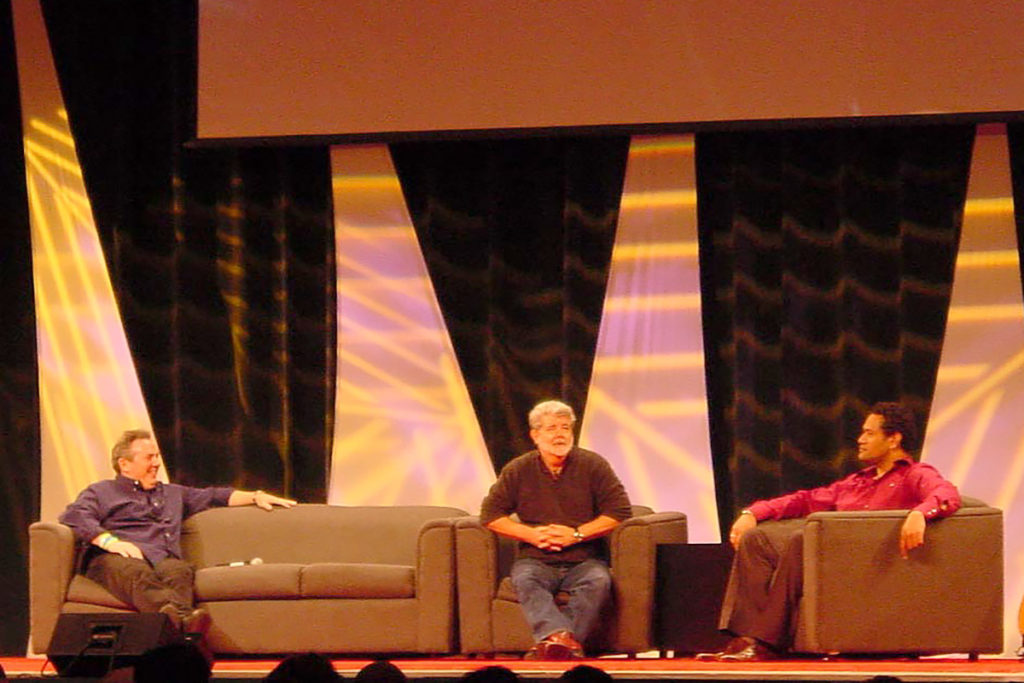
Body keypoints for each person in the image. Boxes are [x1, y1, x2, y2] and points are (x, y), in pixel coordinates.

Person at [697, 402, 961, 662]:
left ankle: (767, 643)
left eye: (869, 433)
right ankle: (748, 638)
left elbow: (946, 494)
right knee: (758, 540)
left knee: (803, 539)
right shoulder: (857, 482)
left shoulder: (914, 474)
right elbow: (804, 500)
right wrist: (753, 513)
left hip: (874, 563)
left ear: (893, 439)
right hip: (831, 560)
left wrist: (919, 514)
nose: (860, 439)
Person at [59, 429, 296, 641]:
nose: (156, 463)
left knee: (178, 570)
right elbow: (75, 515)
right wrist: (110, 542)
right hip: (114, 559)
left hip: (161, 559)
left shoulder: (173, 493)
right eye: (149, 457)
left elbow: (216, 496)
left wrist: (255, 496)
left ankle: (173, 628)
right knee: (137, 572)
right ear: (125, 464)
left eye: (157, 456)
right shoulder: (101, 491)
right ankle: (186, 623)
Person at [479, 400, 632, 660]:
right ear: (535, 435)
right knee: (526, 579)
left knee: (598, 581)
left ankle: (553, 642)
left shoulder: (593, 465)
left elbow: (619, 512)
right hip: (536, 559)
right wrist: (532, 535)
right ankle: (565, 641)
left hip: (584, 559)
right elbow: (490, 515)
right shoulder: (519, 469)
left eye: (565, 428)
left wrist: (576, 534)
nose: (560, 434)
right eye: (551, 428)